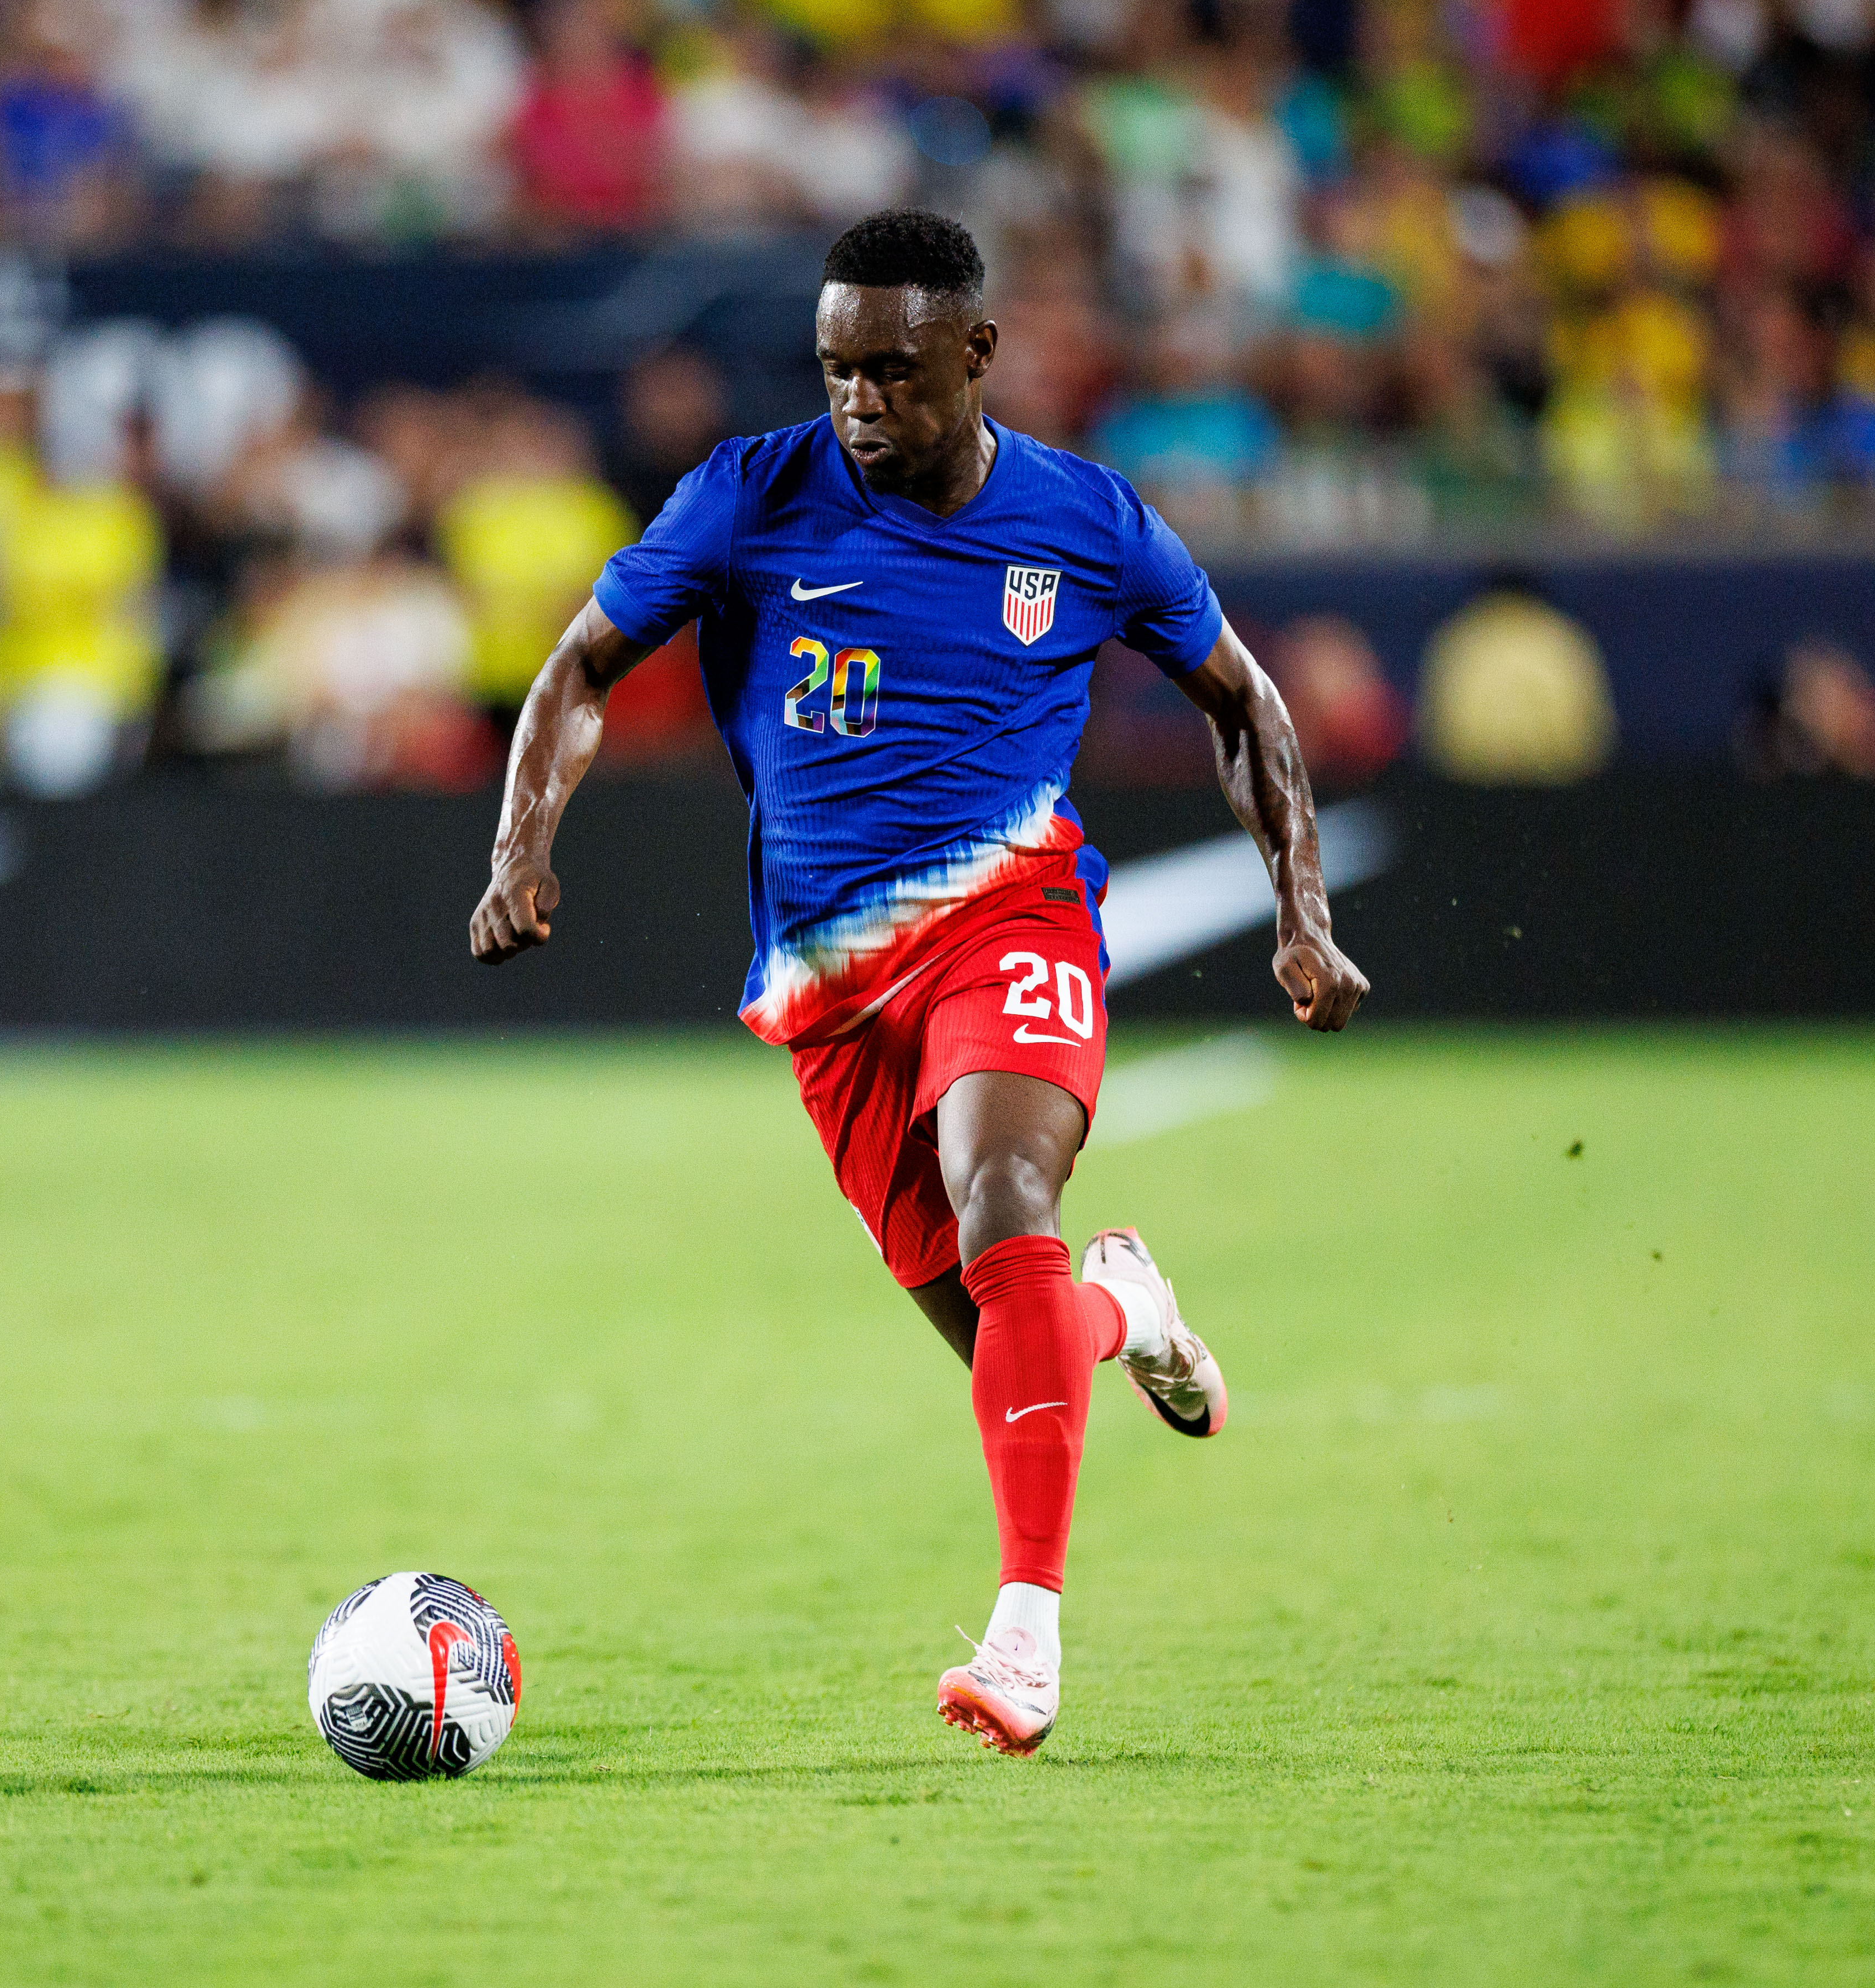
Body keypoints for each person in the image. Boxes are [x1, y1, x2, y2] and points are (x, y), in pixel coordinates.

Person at [467, 209, 1368, 1756]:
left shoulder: (1087, 521)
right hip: (826, 987)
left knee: (1005, 1196)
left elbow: (1246, 704)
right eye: (838, 370)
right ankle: (1126, 1308)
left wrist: (1304, 913)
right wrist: (519, 850)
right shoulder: (747, 496)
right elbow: (579, 669)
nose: (861, 402)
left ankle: (1025, 1639)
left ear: (979, 353)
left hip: (1012, 922)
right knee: (1014, 1329)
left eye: (893, 369)